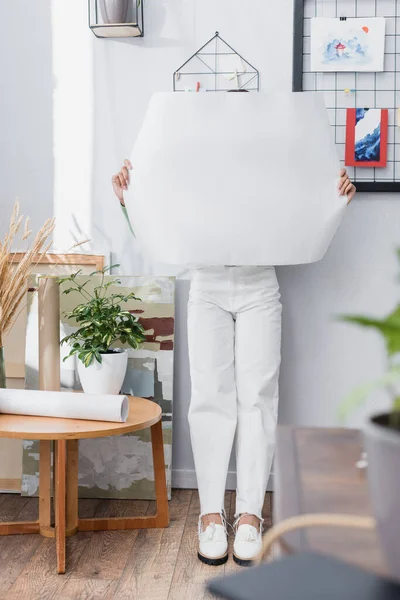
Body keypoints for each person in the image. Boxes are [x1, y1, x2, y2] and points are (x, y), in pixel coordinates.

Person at [112, 156, 356, 567]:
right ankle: (210, 515)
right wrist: (127, 201)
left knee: (258, 398)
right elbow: (163, 225)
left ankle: (250, 516)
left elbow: (296, 213)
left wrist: (333, 203)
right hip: (206, 282)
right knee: (210, 397)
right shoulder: (195, 150)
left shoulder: (265, 152)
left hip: (259, 282)